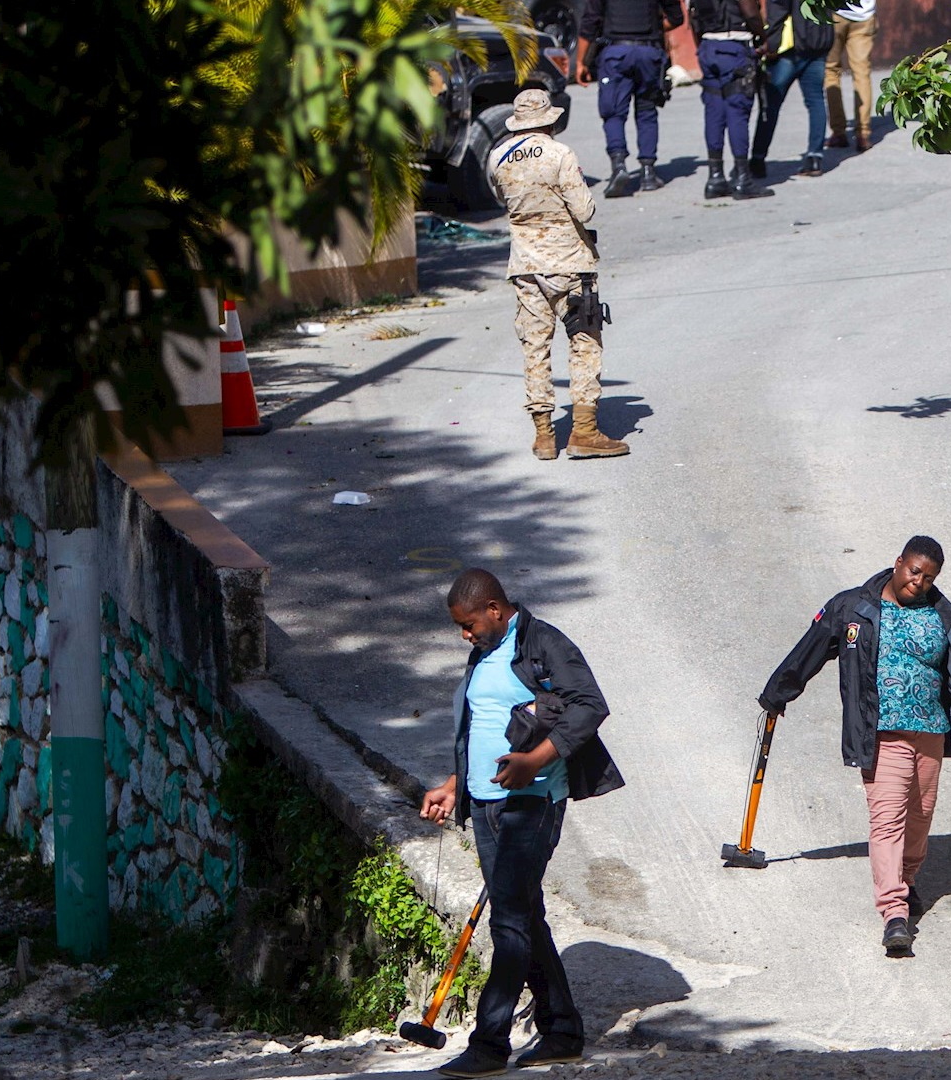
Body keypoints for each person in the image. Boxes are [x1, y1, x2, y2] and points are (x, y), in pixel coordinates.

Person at [758, 536, 951, 956]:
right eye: (914, 571)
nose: (919, 582)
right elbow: (807, 651)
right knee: (888, 821)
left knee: (919, 819)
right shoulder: (853, 609)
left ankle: (908, 880)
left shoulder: (941, 612)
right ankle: (894, 913)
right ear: (898, 562)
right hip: (881, 733)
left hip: (930, 732)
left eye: (929, 577)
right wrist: (777, 694)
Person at [422, 569, 625, 1078]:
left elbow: (589, 706)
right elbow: (484, 724)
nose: (464, 635)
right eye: (460, 629)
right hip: (484, 803)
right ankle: (562, 1032)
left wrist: (535, 760)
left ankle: (489, 1045)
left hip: (533, 803)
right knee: (525, 914)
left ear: (494, 608)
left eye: (468, 624)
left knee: (509, 920)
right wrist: (453, 783)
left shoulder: (543, 643)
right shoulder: (485, 651)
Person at [487, 89, 630, 461]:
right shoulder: (559, 154)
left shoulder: (497, 156)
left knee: (535, 347)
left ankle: (544, 437)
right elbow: (585, 211)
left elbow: (502, 200)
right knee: (584, 341)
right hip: (571, 265)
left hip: (524, 266)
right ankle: (585, 432)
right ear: (551, 120)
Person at [576, 0, 684, 196]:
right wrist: (655, 30)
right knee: (647, 111)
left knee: (613, 113)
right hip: (649, 53)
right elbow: (677, 18)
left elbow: (590, 22)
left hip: (616, 53)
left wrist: (581, 62)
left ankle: (619, 166)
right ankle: (648, 173)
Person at [690, 0, 774, 198]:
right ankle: (742, 178)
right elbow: (750, 12)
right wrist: (763, 38)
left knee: (714, 114)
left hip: (708, 46)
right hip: (733, 46)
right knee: (737, 112)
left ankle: (715, 177)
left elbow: (693, 17)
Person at [749, 0, 835, 179]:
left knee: (770, 106)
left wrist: (769, 44)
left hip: (790, 49)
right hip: (819, 43)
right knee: (816, 101)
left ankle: (757, 160)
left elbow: (777, 12)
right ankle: (815, 157)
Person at [822, 0, 877, 152]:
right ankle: (863, 133)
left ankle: (838, 132)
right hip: (864, 14)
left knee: (831, 70)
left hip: (835, 13)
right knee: (862, 72)